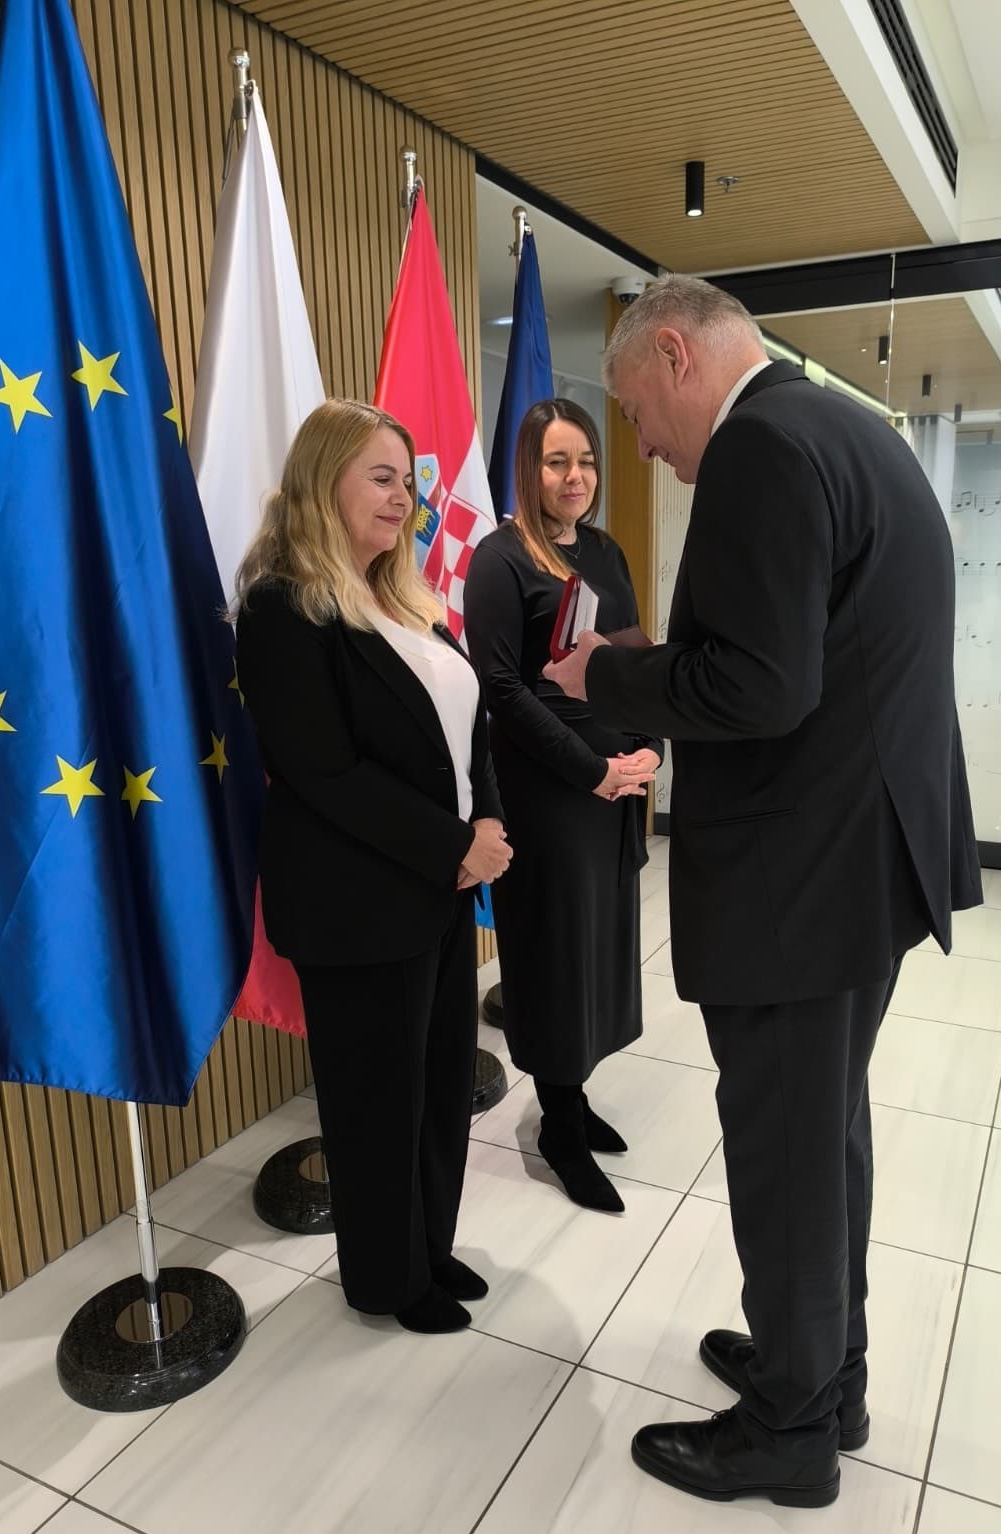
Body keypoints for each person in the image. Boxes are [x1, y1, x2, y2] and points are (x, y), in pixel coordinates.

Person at [545, 275, 982, 1508]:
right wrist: (669, 660)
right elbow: (802, 651)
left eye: (635, 413)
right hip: (862, 861)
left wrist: (602, 679)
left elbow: (758, 689)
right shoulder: (845, 427)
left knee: (787, 1154)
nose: (642, 446)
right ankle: (824, 1373)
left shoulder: (760, 447)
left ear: (673, 356)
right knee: (821, 1136)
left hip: (801, 878)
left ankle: (789, 1432)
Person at [235, 398, 512, 1335]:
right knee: (374, 1108)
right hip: (356, 903)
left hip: (437, 890)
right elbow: (322, 770)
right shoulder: (283, 606)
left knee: (436, 1089)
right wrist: (454, 843)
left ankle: (428, 1247)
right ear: (325, 482)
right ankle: (386, 1281)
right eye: (381, 478)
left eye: (408, 481)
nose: (404, 498)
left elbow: (468, 730)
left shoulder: (406, 597)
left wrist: (486, 818)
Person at [464, 399, 661, 1215]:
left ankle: (573, 1097)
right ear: (528, 468)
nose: (574, 476)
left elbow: (635, 658)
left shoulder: (605, 552)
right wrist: (589, 771)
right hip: (548, 791)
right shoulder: (500, 558)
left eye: (584, 460)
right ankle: (559, 1128)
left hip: (613, 785)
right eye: (556, 462)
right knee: (552, 957)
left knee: (598, 950)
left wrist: (650, 748)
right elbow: (501, 689)